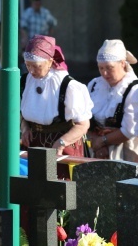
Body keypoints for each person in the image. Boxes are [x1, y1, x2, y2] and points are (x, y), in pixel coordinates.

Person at [19, 35, 92, 179]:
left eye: (36, 66)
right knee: (32, 193)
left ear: (50, 62)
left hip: (63, 147)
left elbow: (83, 124)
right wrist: (25, 127)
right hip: (35, 144)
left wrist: (61, 143)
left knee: (62, 195)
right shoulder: (25, 81)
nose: (31, 71)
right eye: (28, 65)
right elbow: (23, 110)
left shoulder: (68, 86)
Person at [86, 39, 138, 163]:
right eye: (101, 68)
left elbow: (129, 130)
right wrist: (95, 141)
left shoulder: (135, 89)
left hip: (125, 152)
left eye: (109, 68)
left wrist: (102, 142)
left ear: (123, 63)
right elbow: (83, 116)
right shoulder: (94, 85)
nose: (104, 73)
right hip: (94, 148)